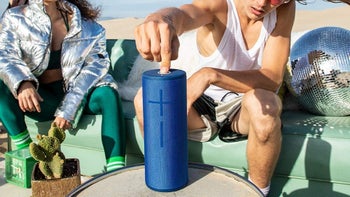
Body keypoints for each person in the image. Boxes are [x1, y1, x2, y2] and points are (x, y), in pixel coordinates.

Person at [134, 0, 308, 195]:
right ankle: (164, 180)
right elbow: (184, 15)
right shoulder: (220, 4)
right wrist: (160, 20)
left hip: (243, 109)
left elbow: (272, 79)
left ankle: (258, 192)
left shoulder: (283, 9)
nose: (262, 3)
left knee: (264, 107)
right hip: (204, 107)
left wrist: (211, 75)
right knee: (144, 101)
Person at [0, 0, 126, 172]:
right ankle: (28, 155)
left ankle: (115, 170)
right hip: (41, 100)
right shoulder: (15, 18)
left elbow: (95, 68)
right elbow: (5, 56)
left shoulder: (89, 27)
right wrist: (23, 82)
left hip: (77, 96)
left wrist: (69, 108)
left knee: (108, 93)